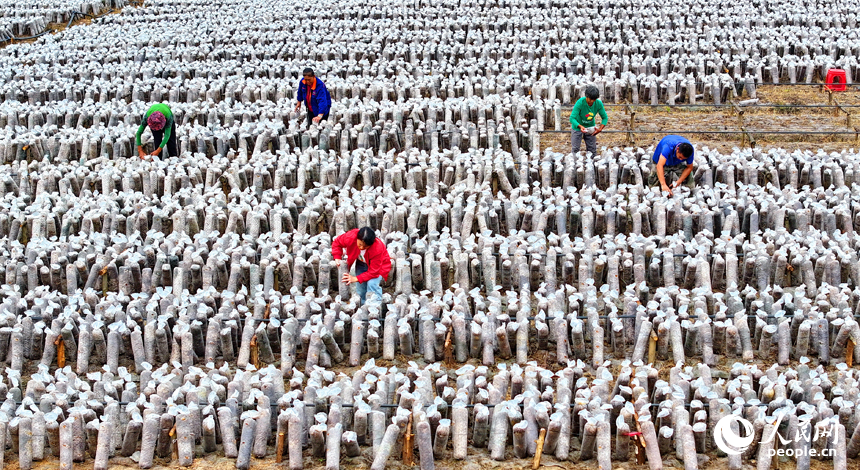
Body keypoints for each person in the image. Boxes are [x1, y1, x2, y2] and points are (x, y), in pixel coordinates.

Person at [332, 227, 391, 305]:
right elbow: (337, 243)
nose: (361, 247)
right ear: (357, 238)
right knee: (360, 287)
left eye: (366, 247)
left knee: (372, 284)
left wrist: (356, 278)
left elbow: (374, 272)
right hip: (362, 263)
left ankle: (375, 305)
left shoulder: (377, 248)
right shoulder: (350, 237)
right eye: (360, 244)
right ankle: (363, 304)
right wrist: (337, 257)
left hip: (379, 266)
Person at [570, 85, 608, 156]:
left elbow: (605, 117)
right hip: (577, 127)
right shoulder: (580, 103)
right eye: (590, 99)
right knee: (575, 149)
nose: (591, 101)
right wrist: (580, 126)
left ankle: (593, 163)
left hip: (590, 127)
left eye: (594, 100)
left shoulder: (598, 104)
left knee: (592, 149)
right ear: (586, 96)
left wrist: (600, 129)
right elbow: (572, 118)